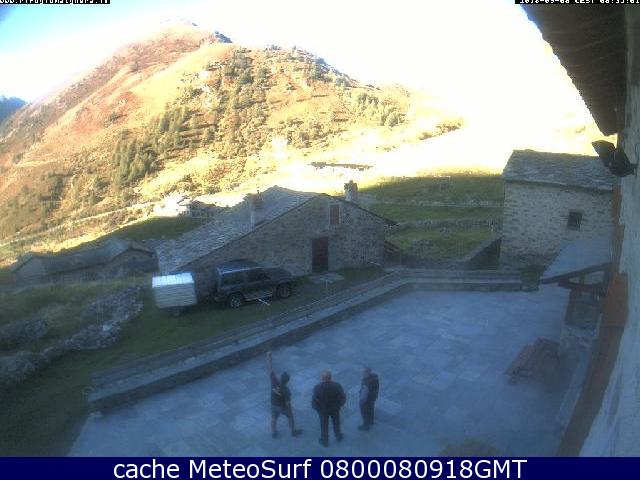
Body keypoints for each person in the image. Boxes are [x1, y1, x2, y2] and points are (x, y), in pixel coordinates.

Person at [267, 351, 302, 438]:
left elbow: (270, 369)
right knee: (290, 417)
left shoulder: (274, 381)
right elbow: (287, 403)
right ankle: (293, 431)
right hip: (282, 407)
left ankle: (273, 432)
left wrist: (269, 357)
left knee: (274, 418)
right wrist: (289, 409)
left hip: (273, 404)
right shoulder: (286, 390)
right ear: (287, 381)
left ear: (280, 377)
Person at [312, 370, 346, 447]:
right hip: (335, 409)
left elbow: (314, 402)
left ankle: (325, 441)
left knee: (324, 426)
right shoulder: (337, 385)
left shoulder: (317, 388)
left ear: (322, 378)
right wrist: (339, 405)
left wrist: (318, 410)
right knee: (336, 423)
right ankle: (338, 436)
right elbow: (343, 398)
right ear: (330, 378)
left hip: (323, 411)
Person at [358, 366, 379, 431]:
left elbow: (364, 394)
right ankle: (371, 421)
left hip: (367, 400)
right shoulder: (375, 376)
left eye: (364, 372)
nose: (362, 373)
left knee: (364, 413)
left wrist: (361, 402)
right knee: (371, 409)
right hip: (373, 397)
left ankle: (365, 426)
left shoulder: (366, 382)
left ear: (367, 373)